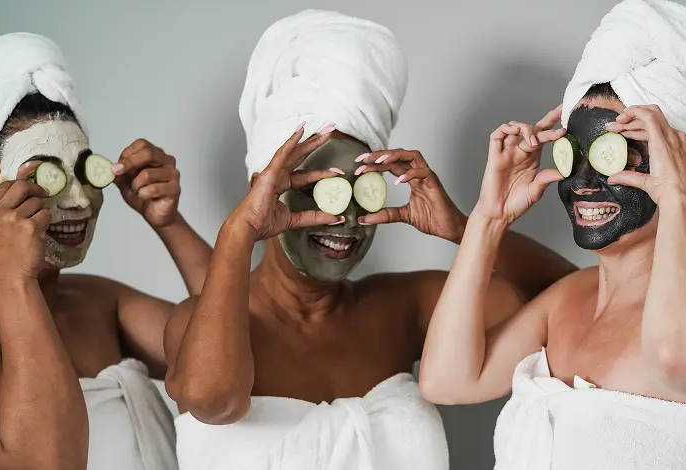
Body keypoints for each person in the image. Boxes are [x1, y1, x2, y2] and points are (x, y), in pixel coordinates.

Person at [163, 10, 576, 470]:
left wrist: (466, 227)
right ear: (265, 192)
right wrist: (238, 233)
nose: (347, 219)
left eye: (363, 190)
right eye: (318, 189)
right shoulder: (194, 325)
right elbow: (213, 400)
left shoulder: (403, 307)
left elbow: (575, 306)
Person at [419, 1, 686, 469]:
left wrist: (678, 199)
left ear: (679, 167)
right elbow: (447, 381)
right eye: (574, 154)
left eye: (615, 155)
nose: (585, 184)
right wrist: (488, 219)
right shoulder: (567, 298)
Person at [0, 33, 211, 470]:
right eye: (46, 175)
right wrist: (13, 281)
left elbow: (246, 349)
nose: (78, 199)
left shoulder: (99, 303)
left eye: (84, 170)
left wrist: (169, 223)